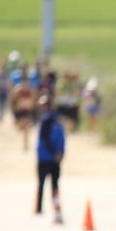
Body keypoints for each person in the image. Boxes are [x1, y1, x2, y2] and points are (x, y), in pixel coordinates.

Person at [35, 94, 66, 222]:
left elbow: (44, 139)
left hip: (45, 157)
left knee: (42, 184)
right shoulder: (57, 119)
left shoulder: (45, 120)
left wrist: (54, 153)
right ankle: (55, 206)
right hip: (54, 157)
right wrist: (60, 153)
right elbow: (62, 139)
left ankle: (39, 208)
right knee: (54, 185)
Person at [11, 74, 38, 150]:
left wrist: (28, 105)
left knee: (27, 128)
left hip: (27, 112)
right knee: (20, 128)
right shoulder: (17, 91)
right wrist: (18, 106)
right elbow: (13, 102)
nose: (25, 85)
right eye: (24, 83)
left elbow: (33, 104)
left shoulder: (31, 91)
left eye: (27, 84)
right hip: (19, 112)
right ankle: (24, 142)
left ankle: (25, 145)